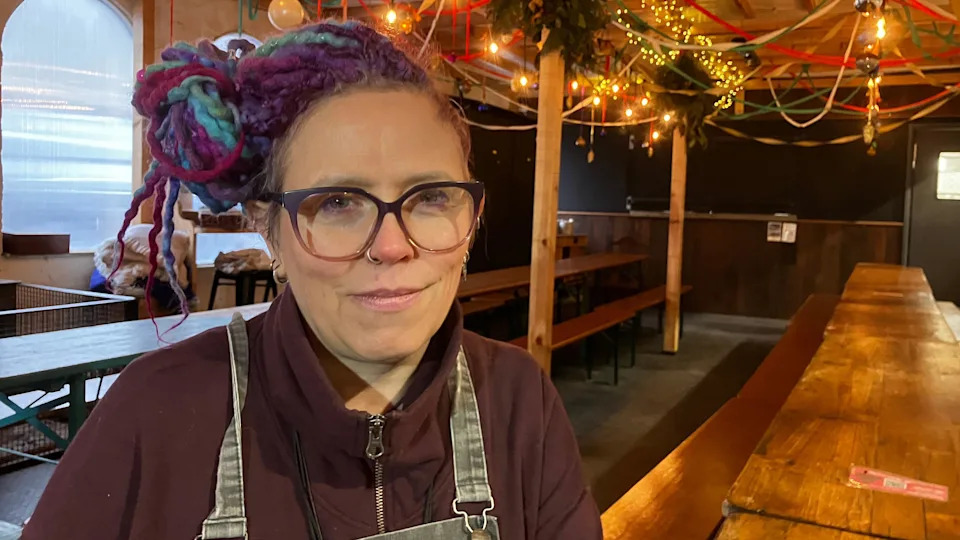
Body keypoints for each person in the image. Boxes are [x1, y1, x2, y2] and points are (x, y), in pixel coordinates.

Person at [21, 21, 602, 540]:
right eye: (339, 202)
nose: (393, 246)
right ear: (269, 232)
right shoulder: (157, 414)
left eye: (429, 197)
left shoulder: (519, 402)